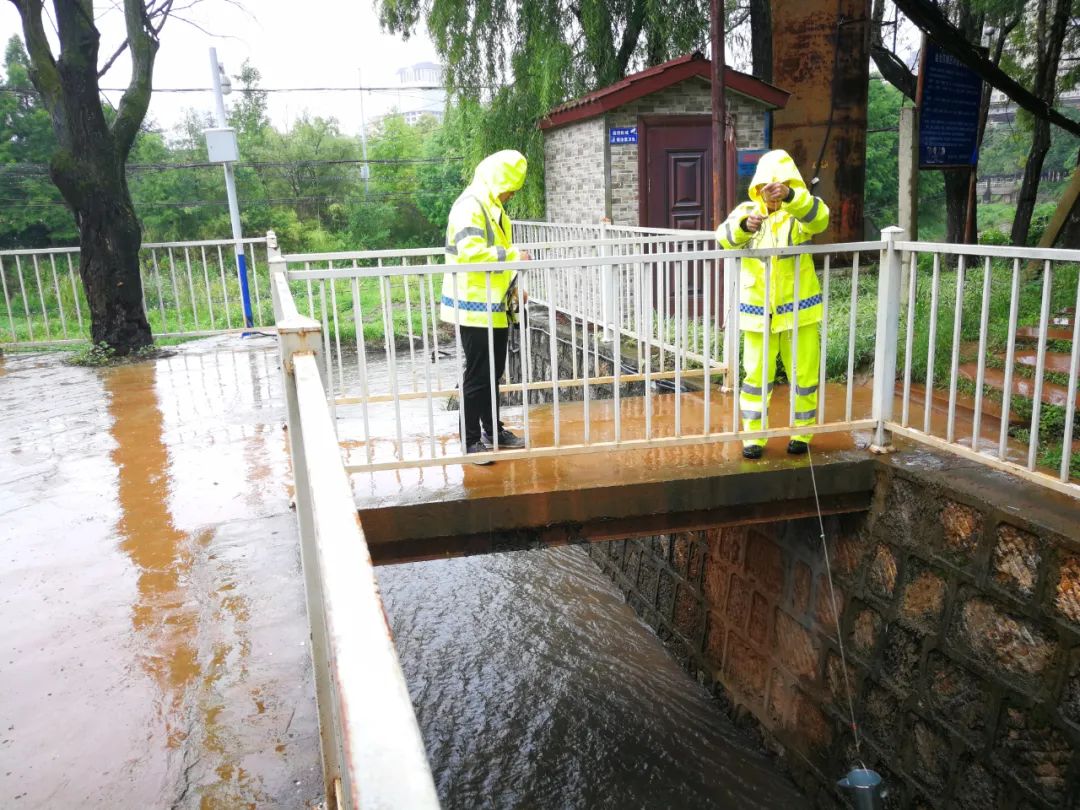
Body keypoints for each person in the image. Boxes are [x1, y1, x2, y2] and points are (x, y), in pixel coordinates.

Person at [716, 149, 830, 460]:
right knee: (755, 377)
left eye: (781, 185)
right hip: (758, 314)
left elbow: (820, 219)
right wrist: (744, 226)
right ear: (758, 186)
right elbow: (723, 237)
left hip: (799, 312)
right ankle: (754, 438)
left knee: (804, 375)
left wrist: (794, 196)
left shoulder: (800, 213)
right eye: (769, 185)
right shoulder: (747, 213)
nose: (774, 191)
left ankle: (802, 434)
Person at [440, 149, 531, 464]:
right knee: (478, 375)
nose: (510, 195)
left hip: (492, 304)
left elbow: (499, 252)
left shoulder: (492, 205)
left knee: (493, 373)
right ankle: (470, 442)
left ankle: (493, 431)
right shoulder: (470, 205)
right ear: (498, 180)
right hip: (473, 305)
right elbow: (471, 253)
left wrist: (515, 287)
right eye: (509, 188)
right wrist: (513, 258)